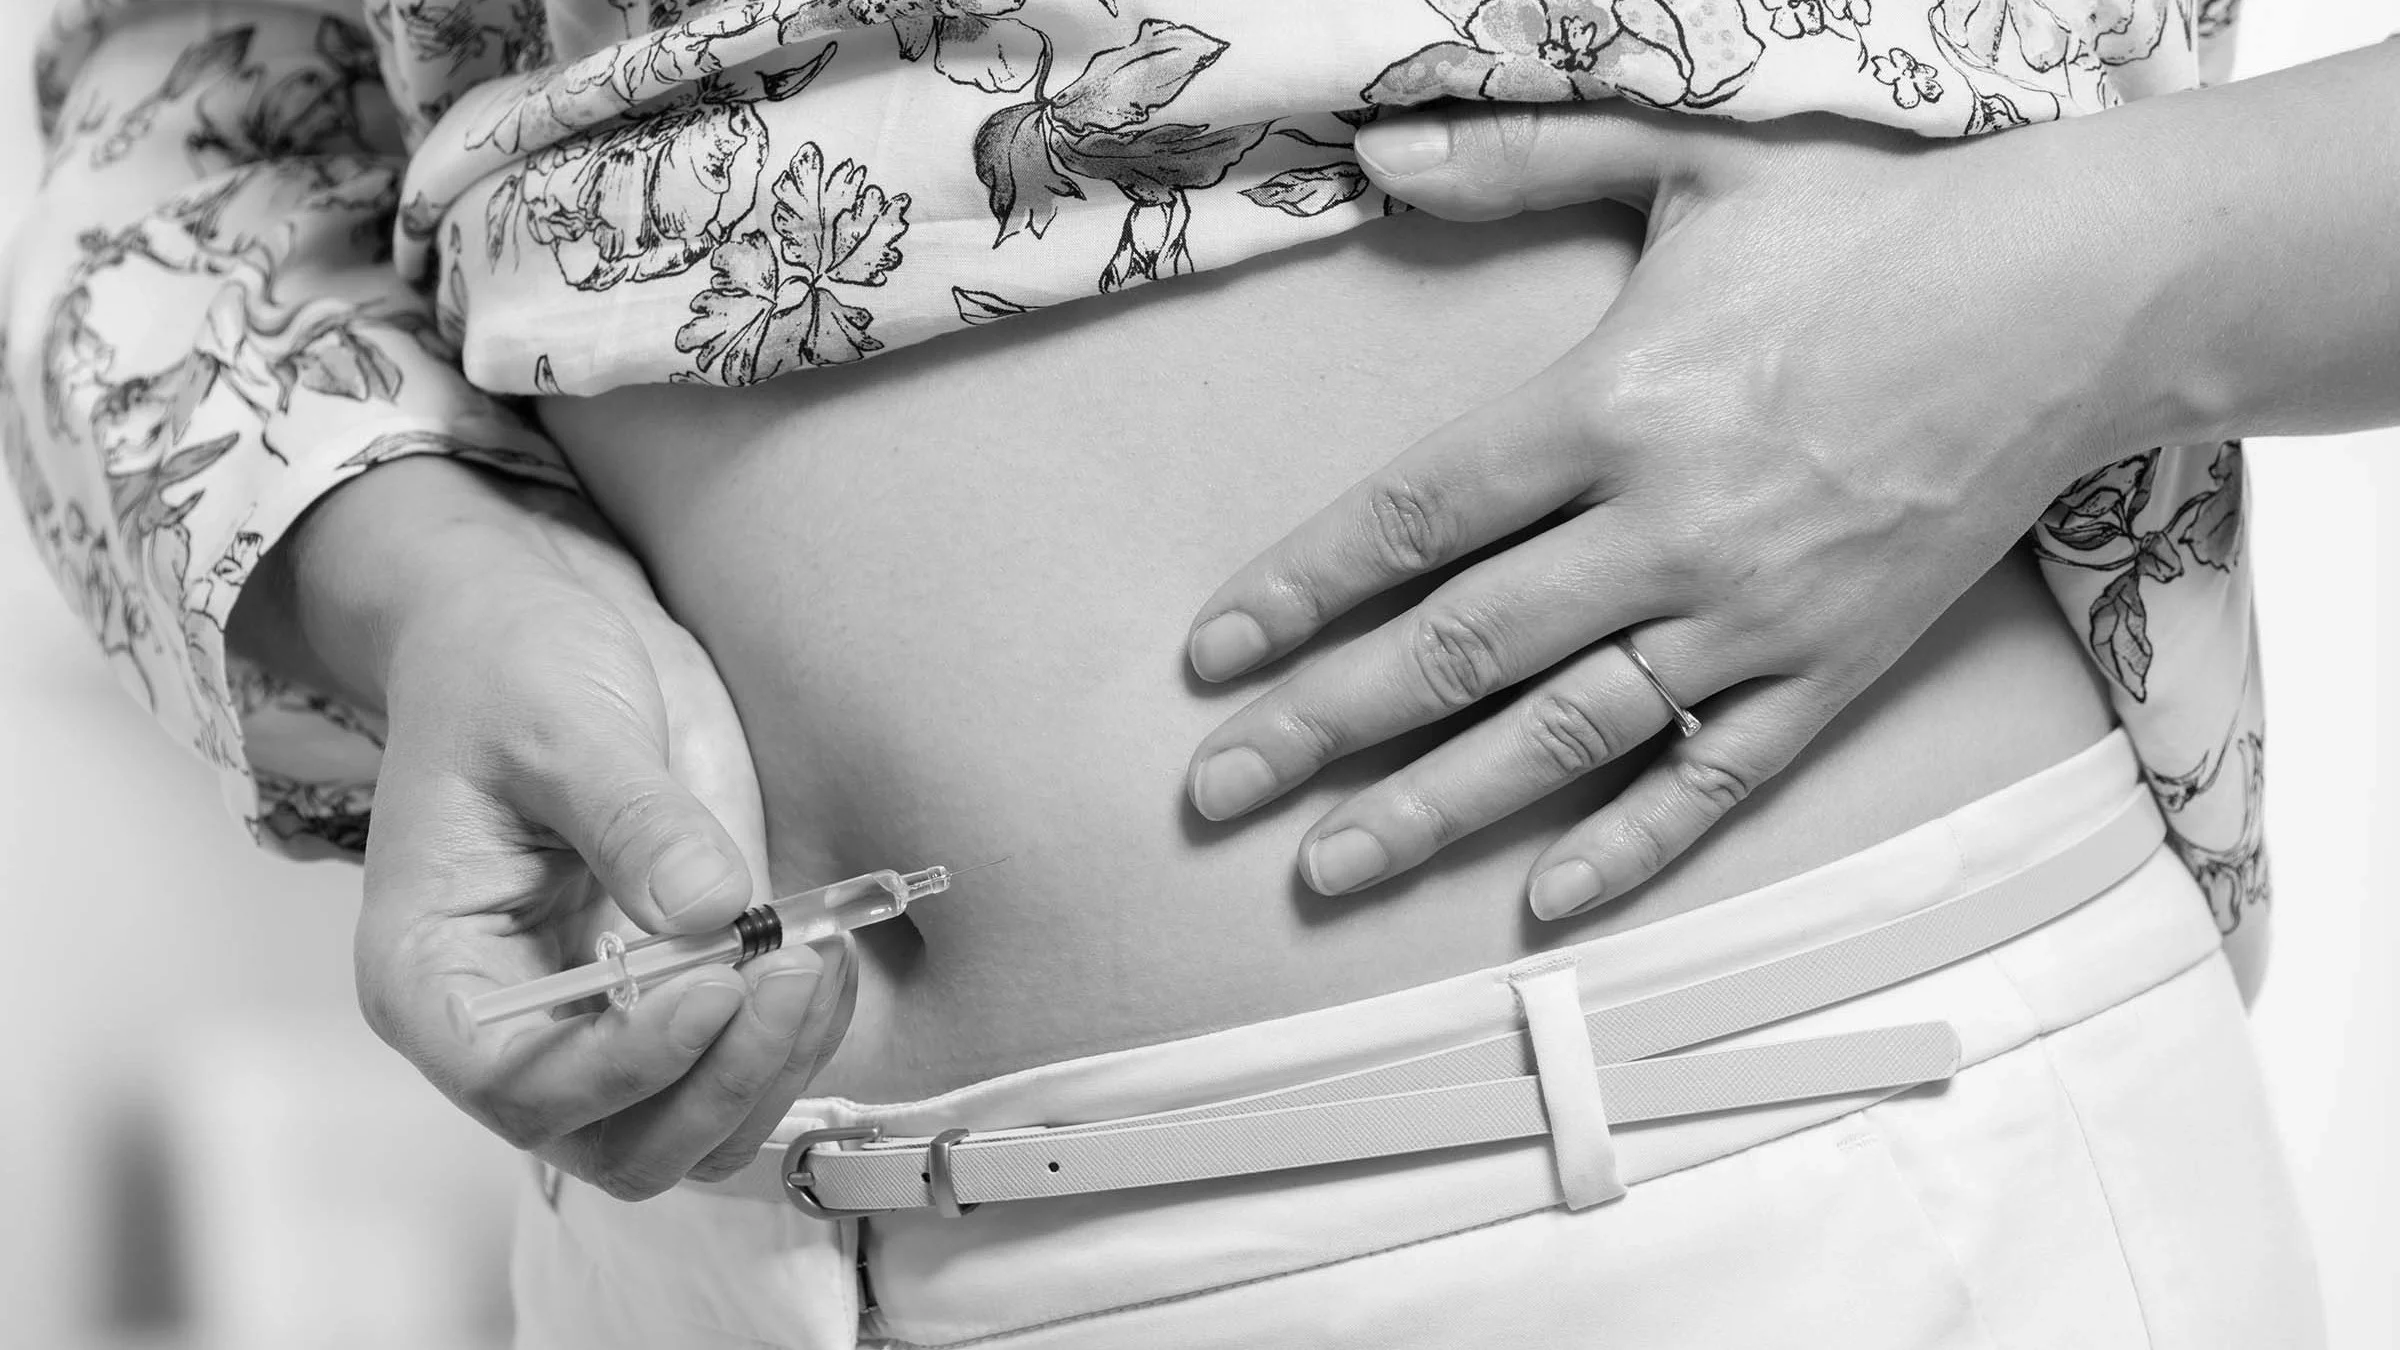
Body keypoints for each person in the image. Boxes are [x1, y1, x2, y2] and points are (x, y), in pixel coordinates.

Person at [9, 0, 2392, 1344]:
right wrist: (422, 577)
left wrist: (2088, 282)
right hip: (695, 1265)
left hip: (1718, 1191)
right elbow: (180, 110)